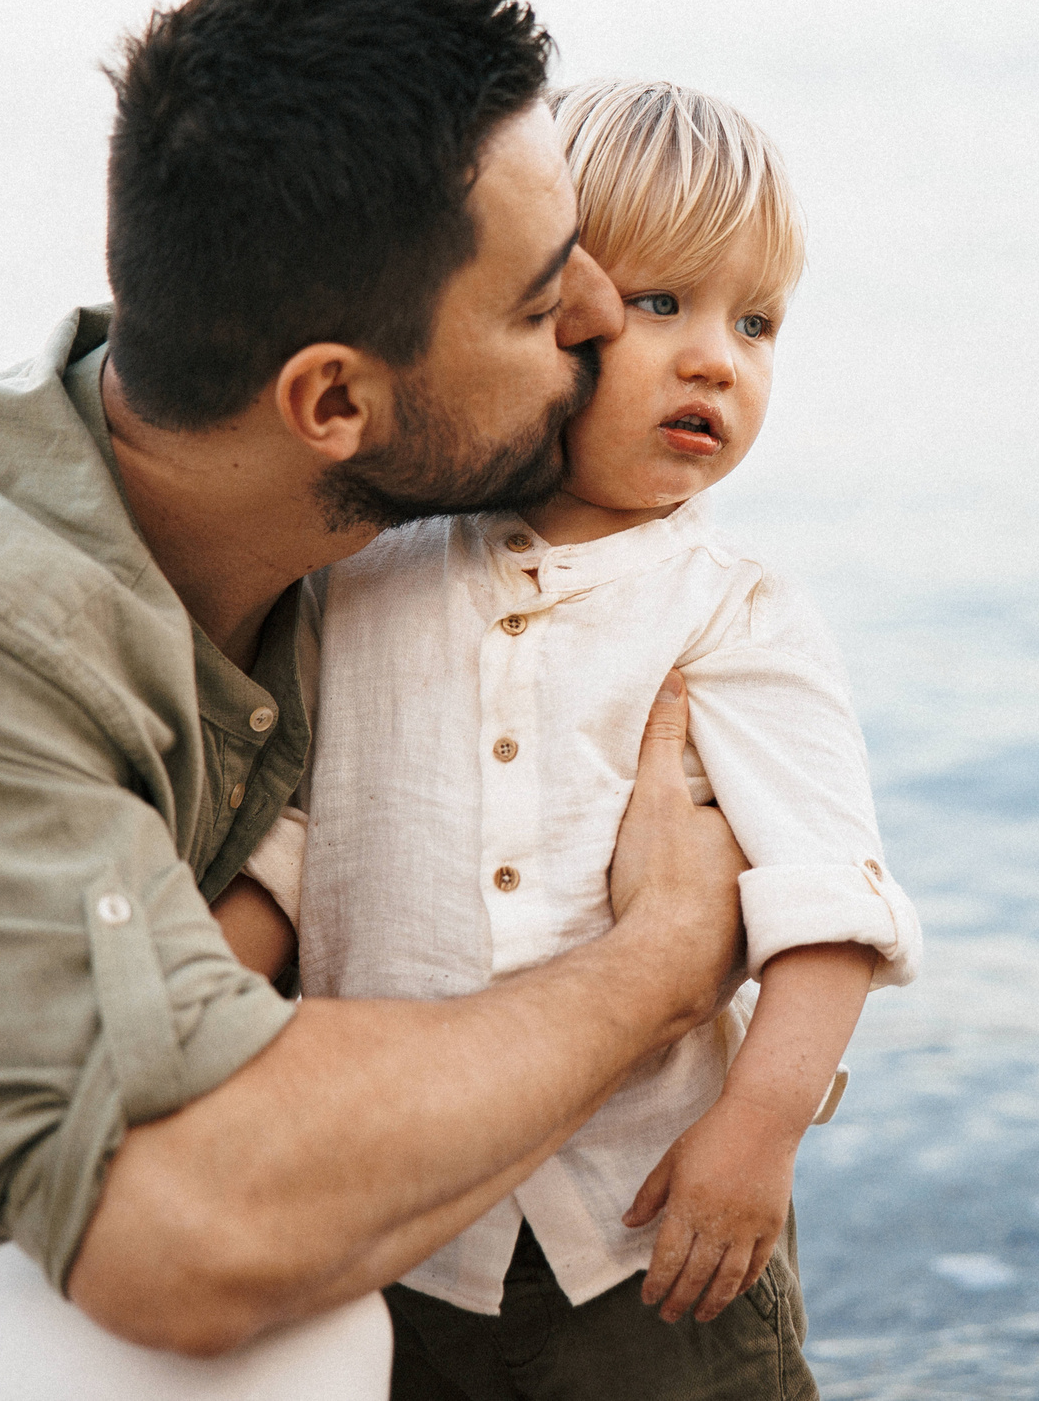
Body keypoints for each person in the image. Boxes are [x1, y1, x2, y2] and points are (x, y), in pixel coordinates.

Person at [0, 0, 749, 1397]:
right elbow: (182, 1234)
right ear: (331, 400)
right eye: (536, 307)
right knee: (290, 1330)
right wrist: (659, 966)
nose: (603, 313)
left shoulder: (339, 540)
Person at [237, 78, 919, 1399]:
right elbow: (297, 841)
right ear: (546, 314)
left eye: (758, 322)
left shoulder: (734, 612)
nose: (717, 359)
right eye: (661, 304)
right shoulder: (368, 575)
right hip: (396, 1214)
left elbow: (827, 908)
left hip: (647, 1231)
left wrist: (757, 1130)